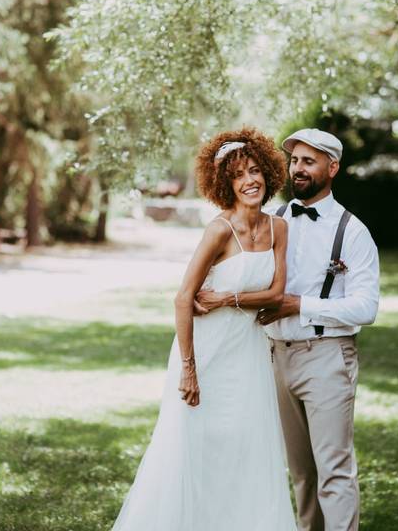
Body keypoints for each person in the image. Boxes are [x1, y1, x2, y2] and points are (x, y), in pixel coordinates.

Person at [111, 127, 297, 531]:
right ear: (224, 185)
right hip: (206, 352)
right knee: (193, 447)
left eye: (254, 171)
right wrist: (189, 369)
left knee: (246, 447)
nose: (249, 181)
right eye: (238, 175)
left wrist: (228, 299)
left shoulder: (279, 228)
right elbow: (183, 298)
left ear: (267, 172)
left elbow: (277, 293)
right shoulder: (218, 230)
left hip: (247, 351)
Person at [254, 128, 380, 531]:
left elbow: (366, 307)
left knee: (334, 472)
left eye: (309, 161)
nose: (299, 169)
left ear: (332, 167)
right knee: (301, 475)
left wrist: (298, 305)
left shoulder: (353, 232)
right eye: (294, 161)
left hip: (327, 357)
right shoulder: (271, 220)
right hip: (276, 357)